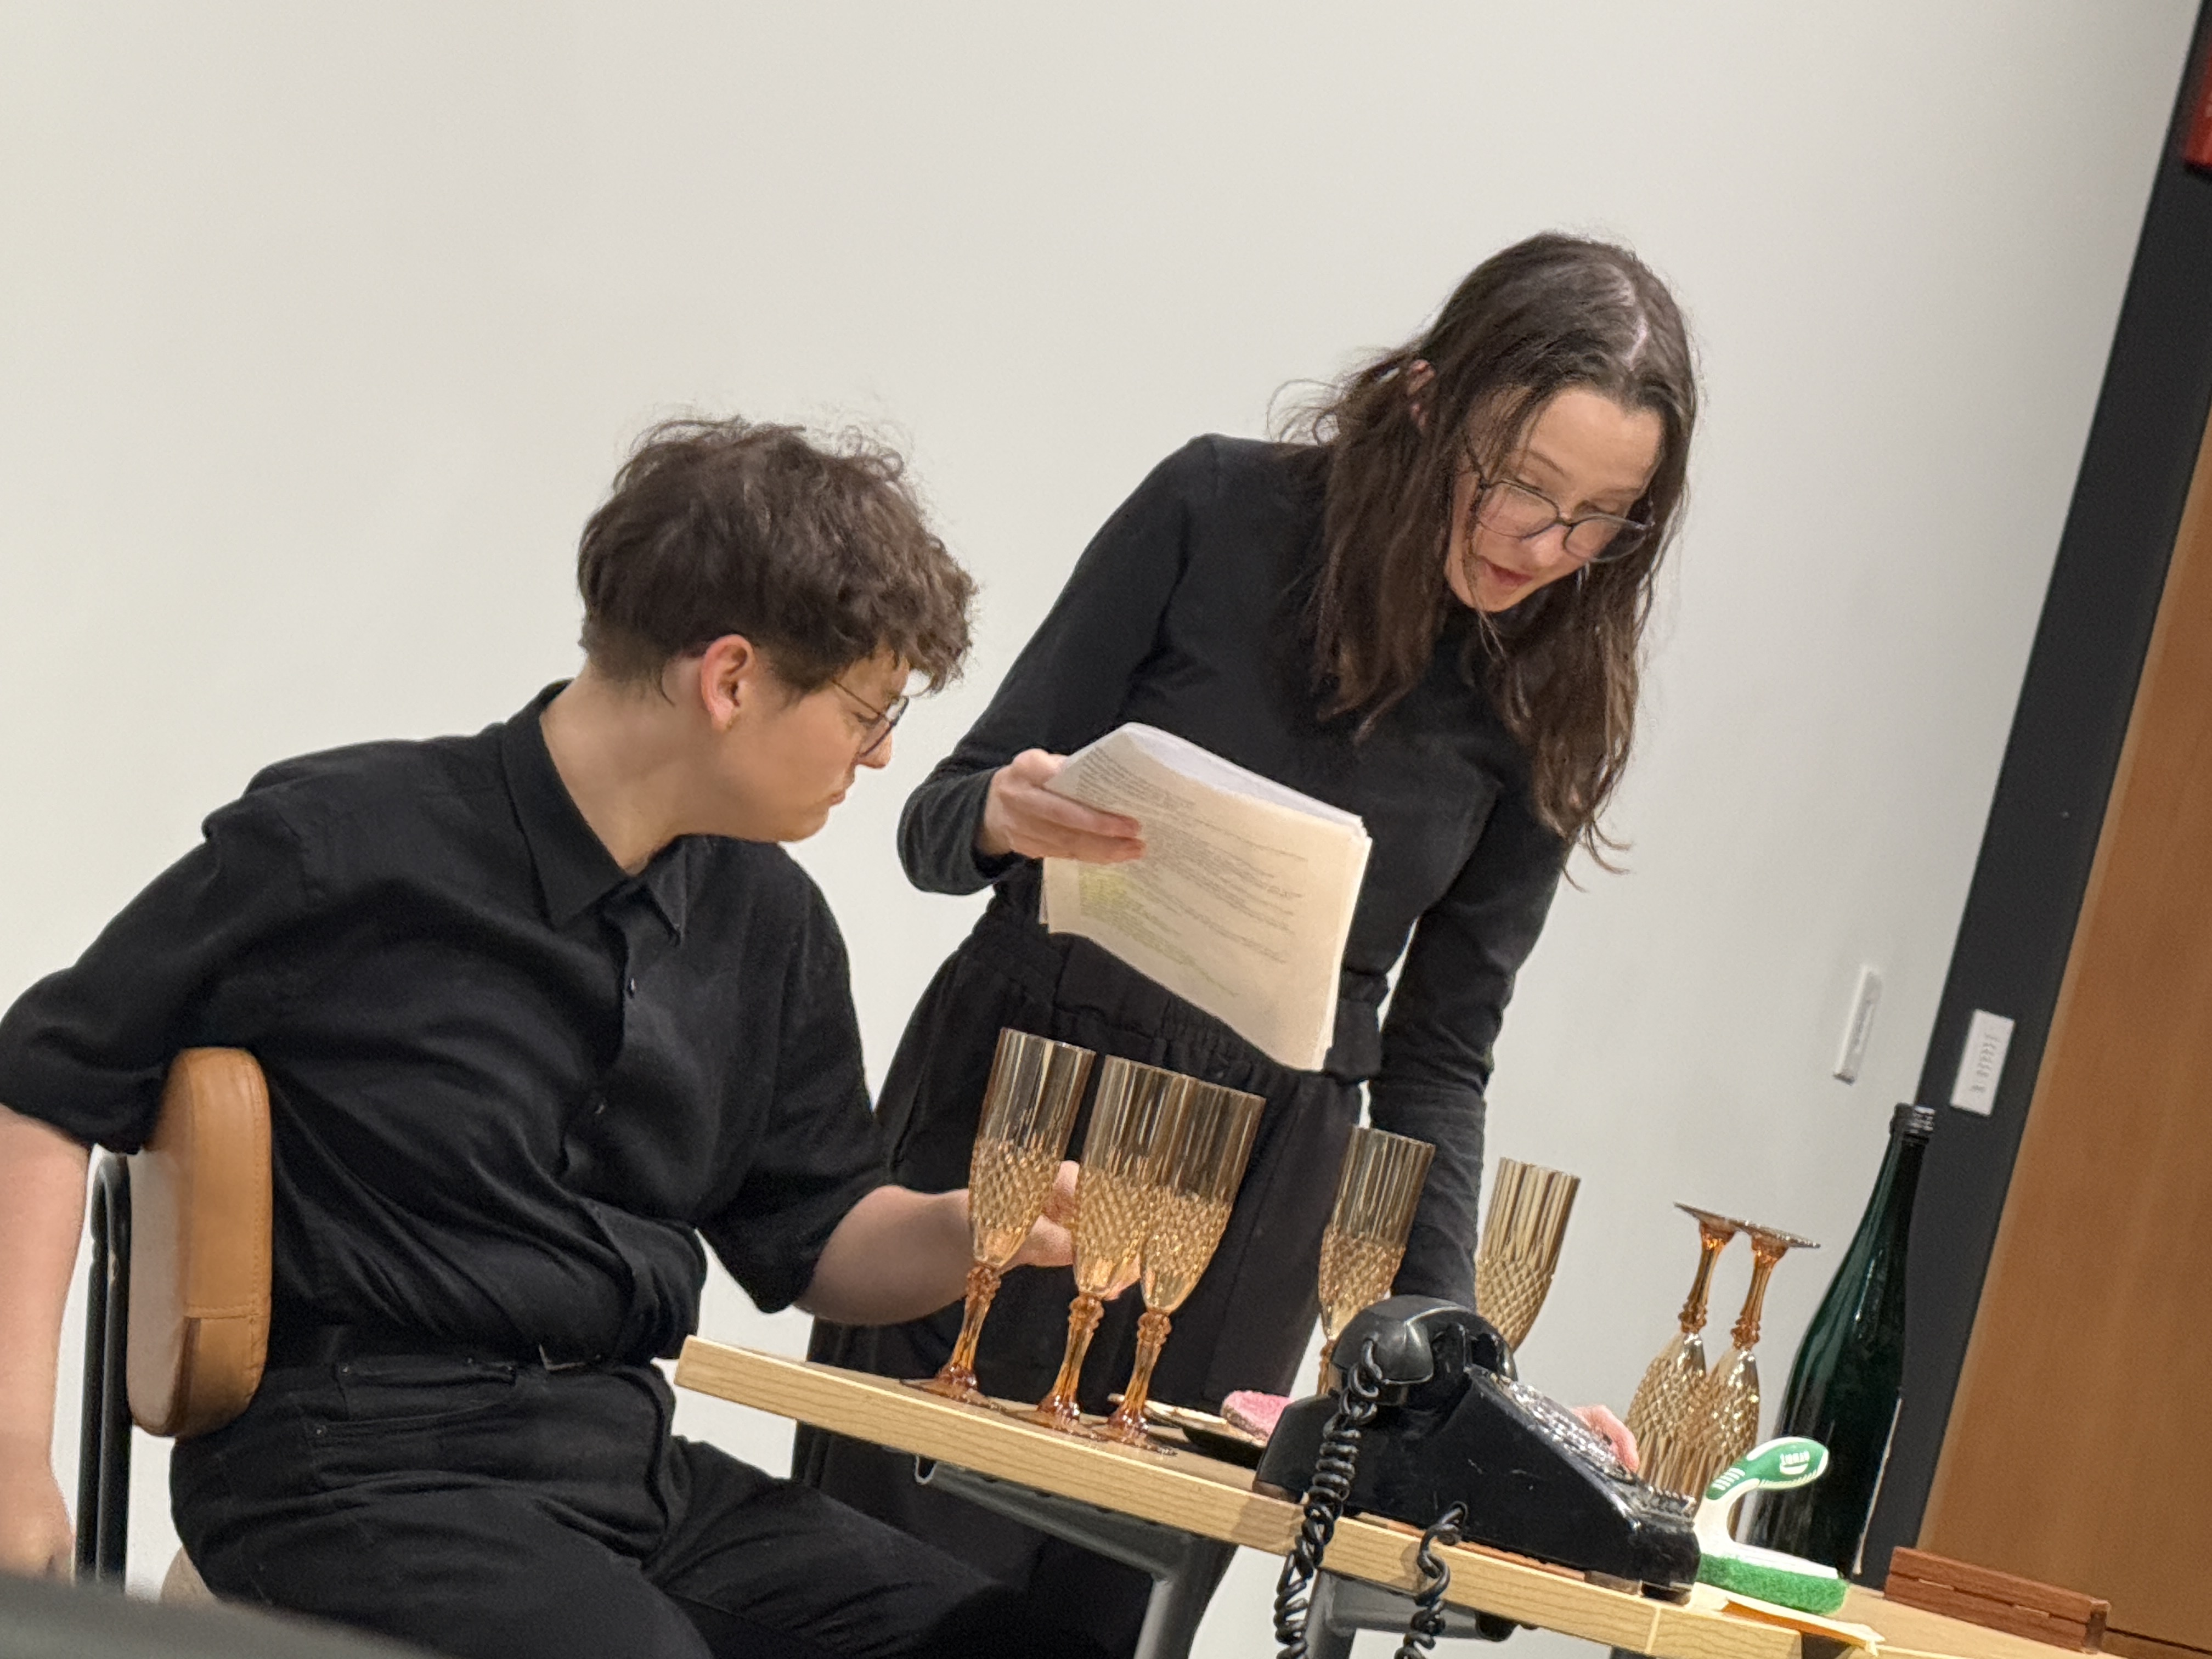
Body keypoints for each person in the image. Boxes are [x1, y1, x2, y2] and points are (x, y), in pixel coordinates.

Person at [0, 419, 1114, 1659]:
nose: (884, 754)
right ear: (732, 679)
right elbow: (42, 1087)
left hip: (620, 1471)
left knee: (1018, 1649)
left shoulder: (769, 922)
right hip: (349, 1467)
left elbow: (818, 1239)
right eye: (867, 711)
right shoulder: (343, 844)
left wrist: (974, 1230)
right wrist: (9, 1455)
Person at [802, 233, 1698, 1651]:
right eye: (1524, 482)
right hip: (1024, 1113)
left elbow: (1438, 1060)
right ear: (1423, 399)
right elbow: (936, 826)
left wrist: (1450, 1359)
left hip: (1262, 1192)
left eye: (1602, 516)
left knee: (1097, 1624)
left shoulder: (1553, 692)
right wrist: (1009, 820)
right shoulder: (1216, 509)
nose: (1544, 547)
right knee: (864, 1596)